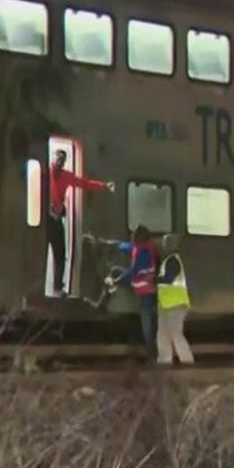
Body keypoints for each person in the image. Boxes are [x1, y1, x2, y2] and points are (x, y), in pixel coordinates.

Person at [47, 149, 114, 296]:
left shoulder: (65, 176)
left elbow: (84, 183)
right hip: (44, 217)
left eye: (62, 160)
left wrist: (104, 186)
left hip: (55, 218)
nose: (60, 162)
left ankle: (57, 286)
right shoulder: (45, 173)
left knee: (60, 252)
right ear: (53, 158)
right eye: (58, 158)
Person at [88, 225, 159, 361]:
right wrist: (104, 242)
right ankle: (102, 304)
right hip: (138, 284)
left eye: (135, 238)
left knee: (147, 326)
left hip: (147, 292)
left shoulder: (145, 253)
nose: (133, 240)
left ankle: (153, 355)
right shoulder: (138, 247)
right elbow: (122, 246)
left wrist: (116, 281)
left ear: (142, 239)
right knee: (115, 270)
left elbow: (132, 272)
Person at [155, 234, 194, 365]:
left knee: (175, 334)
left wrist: (152, 279)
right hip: (166, 304)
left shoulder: (173, 261)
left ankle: (188, 362)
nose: (164, 245)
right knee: (163, 335)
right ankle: (164, 363)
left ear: (173, 246)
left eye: (166, 243)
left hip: (176, 304)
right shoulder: (167, 261)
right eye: (164, 243)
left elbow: (168, 279)